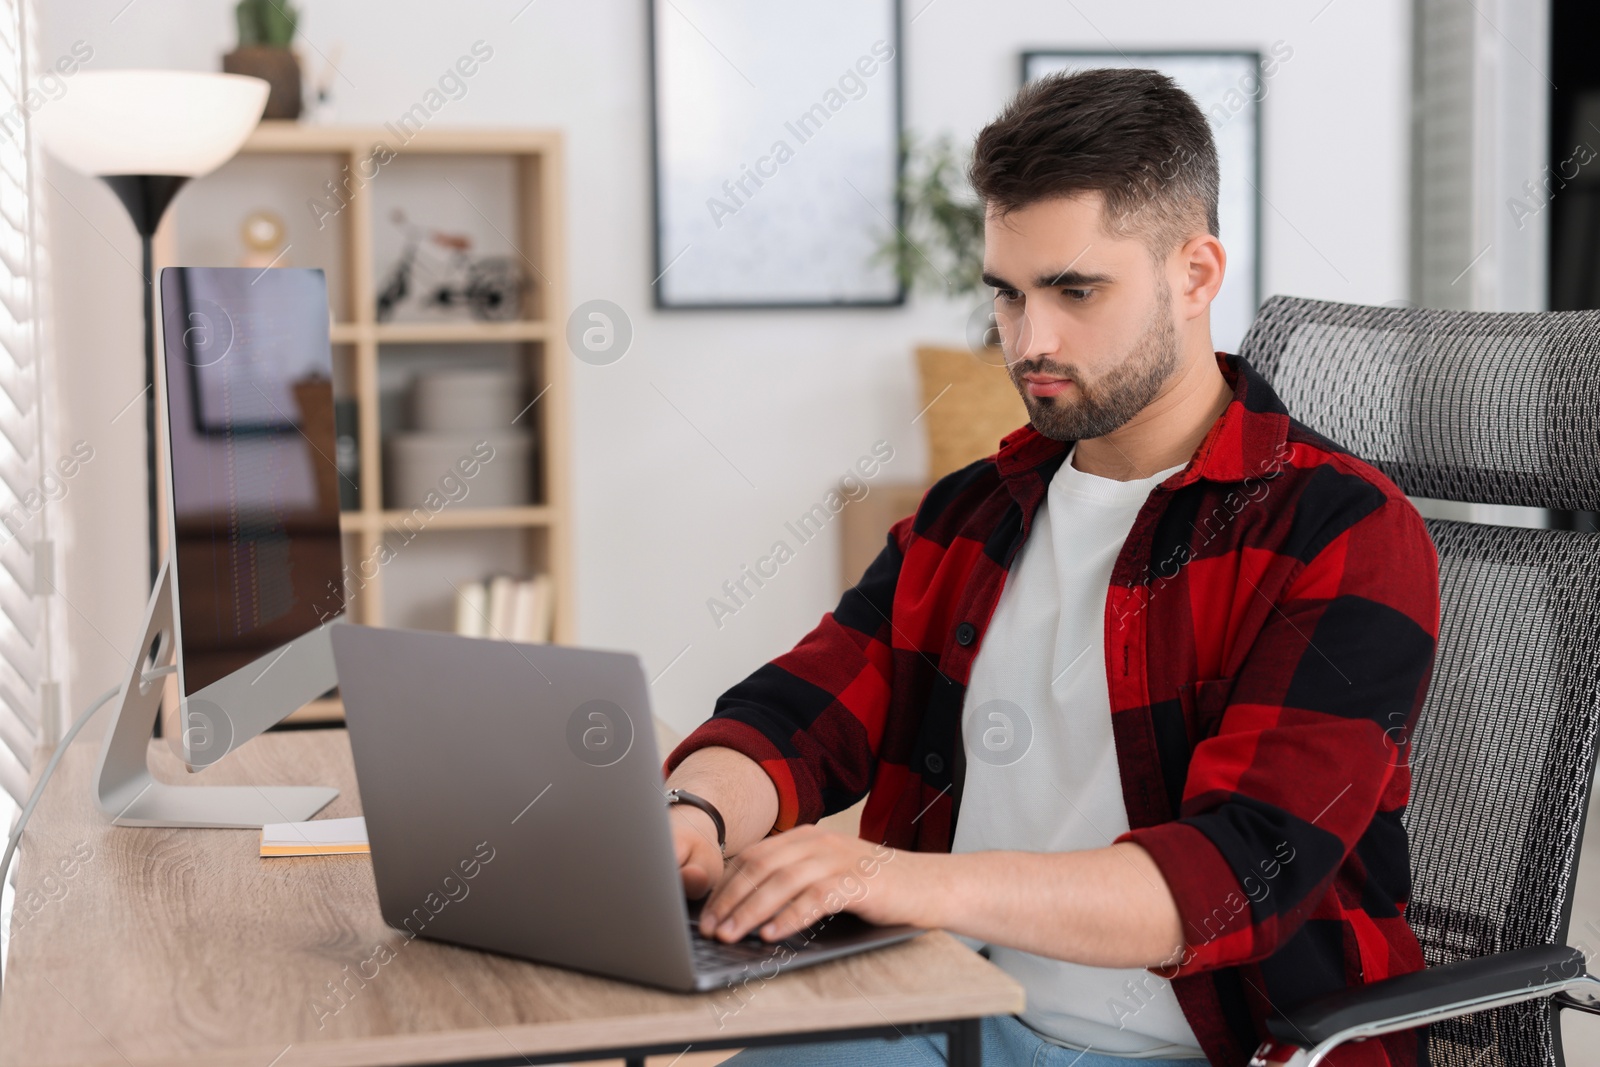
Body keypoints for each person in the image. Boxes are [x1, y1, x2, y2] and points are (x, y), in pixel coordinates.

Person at [662, 67, 1440, 1067]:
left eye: (1075, 290)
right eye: (1007, 294)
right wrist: (697, 811)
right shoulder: (970, 512)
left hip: (1216, 1048)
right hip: (948, 1011)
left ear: (1195, 274)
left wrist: (894, 877)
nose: (1031, 341)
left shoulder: (1341, 531)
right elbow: (802, 710)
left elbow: (1235, 870)